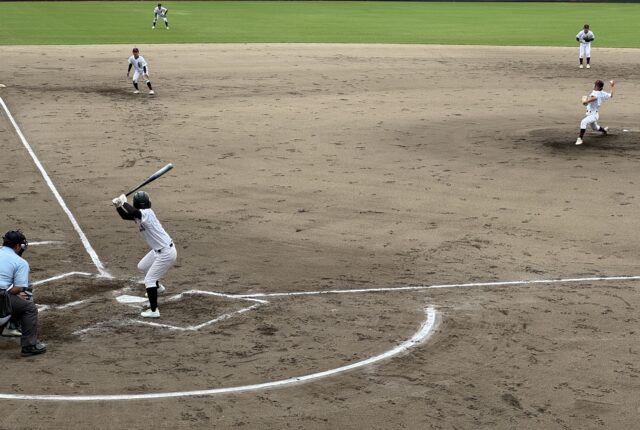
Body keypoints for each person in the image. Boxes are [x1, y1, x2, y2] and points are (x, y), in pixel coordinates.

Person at [112, 191, 177, 318]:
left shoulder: (147, 213)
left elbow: (133, 212)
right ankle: (158, 288)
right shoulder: (141, 215)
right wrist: (118, 206)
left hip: (166, 253)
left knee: (149, 280)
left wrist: (124, 202)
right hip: (158, 251)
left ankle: (154, 311)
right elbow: (126, 216)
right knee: (142, 267)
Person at [0, 230, 47, 356]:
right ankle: (29, 346)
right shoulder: (20, 262)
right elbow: (18, 288)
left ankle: (7, 326)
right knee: (29, 306)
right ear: (17, 246)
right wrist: (11, 293)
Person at [576, 79, 615, 146]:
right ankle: (604, 130)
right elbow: (611, 95)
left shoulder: (595, 92)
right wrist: (612, 86)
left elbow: (595, 98)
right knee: (595, 128)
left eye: (596, 85)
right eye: (596, 85)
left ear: (599, 87)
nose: (595, 86)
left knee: (583, 122)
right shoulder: (602, 93)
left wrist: (586, 101)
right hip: (593, 114)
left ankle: (580, 139)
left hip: (593, 115)